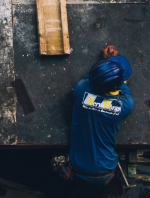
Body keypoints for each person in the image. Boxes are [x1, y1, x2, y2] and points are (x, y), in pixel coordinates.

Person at [54, 45, 134, 197]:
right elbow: (124, 88)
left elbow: (91, 78)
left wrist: (104, 65)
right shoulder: (125, 106)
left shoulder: (81, 90)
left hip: (77, 169)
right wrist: (113, 66)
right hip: (104, 173)